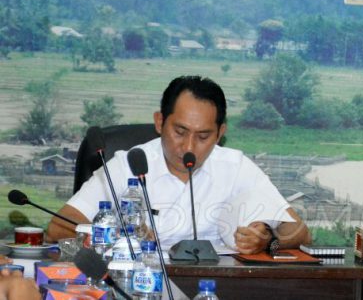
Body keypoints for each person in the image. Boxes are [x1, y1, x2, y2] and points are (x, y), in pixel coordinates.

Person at [47, 76, 311, 254]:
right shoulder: (128, 164)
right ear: (160, 122)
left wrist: (268, 241)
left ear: (220, 134)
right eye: (180, 131)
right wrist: (119, 236)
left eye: (204, 136)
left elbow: (299, 232)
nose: (188, 147)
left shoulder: (236, 167)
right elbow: (59, 227)